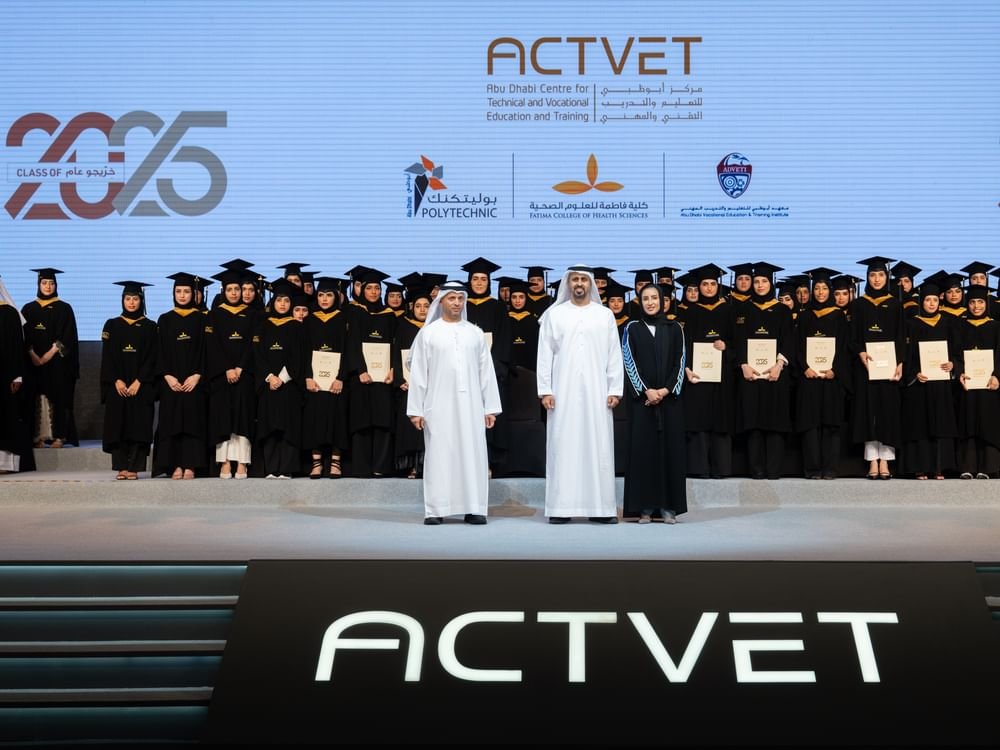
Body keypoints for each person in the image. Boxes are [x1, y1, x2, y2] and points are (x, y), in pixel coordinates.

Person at [407, 281, 501, 524]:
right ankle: (436, 510)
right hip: (437, 405)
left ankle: (474, 508)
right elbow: (419, 373)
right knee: (439, 455)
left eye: (460, 298)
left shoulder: (475, 333)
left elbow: (486, 372)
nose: (457, 303)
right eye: (452, 298)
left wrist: (490, 407)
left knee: (472, 453)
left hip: (471, 405)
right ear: (441, 301)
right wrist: (416, 410)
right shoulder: (428, 333)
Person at [537, 265, 624, 523]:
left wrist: (615, 388)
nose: (579, 284)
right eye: (574, 279)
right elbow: (544, 354)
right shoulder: (554, 315)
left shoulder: (604, 315)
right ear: (568, 283)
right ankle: (560, 509)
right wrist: (545, 390)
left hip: (598, 392)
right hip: (561, 392)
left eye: (583, 280)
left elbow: (613, 354)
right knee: (562, 445)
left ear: (590, 284)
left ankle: (600, 509)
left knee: (598, 446)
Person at [621, 283, 686, 523]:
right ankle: (645, 507)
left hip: (669, 402)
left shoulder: (675, 328)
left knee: (669, 453)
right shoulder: (632, 328)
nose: (650, 302)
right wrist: (646, 391)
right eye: (645, 298)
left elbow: (680, 362)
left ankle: (669, 507)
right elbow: (628, 361)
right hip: (642, 403)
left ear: (662, 301)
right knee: (643, 453)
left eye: (654, 298)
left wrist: (666, 390)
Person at [850, 256, 904, 480]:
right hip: (866, 366)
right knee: (868, 412)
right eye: (872, 275)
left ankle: (886, 461)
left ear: (886, 277)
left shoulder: (895, 305)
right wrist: (860, 352)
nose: (876, 279)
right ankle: (872, 460)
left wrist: (900, 362)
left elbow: (901, 336)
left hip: (889, 367)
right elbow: (853, 336)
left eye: (881, 275)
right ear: (867, 277)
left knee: (887, 413)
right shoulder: (858, 305)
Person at [794, 267, 849, 479]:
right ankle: (812, 469)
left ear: (830, 291)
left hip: (831, 378)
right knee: (810, 424)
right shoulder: (804, 316)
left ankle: (830, 468)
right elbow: (797, 346)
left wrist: (836, 370)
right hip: (809, 378)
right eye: (816, 288)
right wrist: (804, 367)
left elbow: (844, 347)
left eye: (824, 288)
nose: (820, 292)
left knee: (830, 424)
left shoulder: (839, 316)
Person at [899, 283, 958, 480]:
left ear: (939, 302)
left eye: (934, 300)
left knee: (941, 423)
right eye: (927, 300)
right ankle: (920, 467)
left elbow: (957, 351)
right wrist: (914, 373)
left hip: (941, 383)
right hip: (920, 383)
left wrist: (953, 364)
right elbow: (906, 355)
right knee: (920, 425)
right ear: (921, 302)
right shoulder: (911, 324)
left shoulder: (948, 323)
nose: (931, 304)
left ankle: (939, 467)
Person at [152, 273, 207, 480]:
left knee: (192, 423)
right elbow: (159, 351)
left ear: (193, 294)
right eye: (178, 291)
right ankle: (174, 465)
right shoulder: (165, 320)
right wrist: (167, 376)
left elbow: (206, 351)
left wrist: (197, 375)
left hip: (194, 382)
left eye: (186, 291)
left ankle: (191, 465)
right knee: (171, 423)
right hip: (171, 383)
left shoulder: (202, 319)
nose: (182, 295)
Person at [682, 263, 735, 478]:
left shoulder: (728, 310)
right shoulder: (691, 312)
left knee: (720, 419)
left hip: (722, 375)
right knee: (699, 420)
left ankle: (721, 469)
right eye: (705, 284)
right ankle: (700, 469)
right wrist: (687, 368)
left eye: (713, 284)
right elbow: (684, 343)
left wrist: (727, 346)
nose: (709, 288)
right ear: (700, 287)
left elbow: (737, 341)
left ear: (718, 286)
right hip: (698, 375)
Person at [100, 281, 157, 480]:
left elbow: (152, 357)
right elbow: (107, 357)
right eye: (127, 298)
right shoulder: (112, 325)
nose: (131, 302)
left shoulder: (150, 326)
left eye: (135, 299)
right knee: (118, 426)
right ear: (122, 300)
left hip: (141, 386)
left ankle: (134, 467)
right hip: (118, 386)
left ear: (141, 301)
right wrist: (116, 380)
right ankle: (121, 467)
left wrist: (139, 381)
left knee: (139, 426)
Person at [20, 268, 79, 449]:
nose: (48, 286)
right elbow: (22, 336)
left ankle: (59, 437)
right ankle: (38, 436)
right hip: (33, 364)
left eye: (51, 283)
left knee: (58, 397)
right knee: (36, 398)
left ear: (56, 285)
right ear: (38, 285)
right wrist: (32, 354)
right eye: (44, 283)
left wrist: (48, 355)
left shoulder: (64, 308)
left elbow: (68, 336)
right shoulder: (28, 309)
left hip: (57, 364)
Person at [346, 268, 397, 477]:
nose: (374, 292)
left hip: (383, 377)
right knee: (362, 421)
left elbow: (395, 344)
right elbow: (352, 342)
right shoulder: (354, 312)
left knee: (383, 420)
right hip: (362, 377)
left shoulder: (389, 315)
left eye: (377, 288)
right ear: (362, 290)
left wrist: (393, 368)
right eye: (369, 288)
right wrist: (360, 370)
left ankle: (380, 467)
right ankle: (361, 467)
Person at [253, 279, 306, 479]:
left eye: (286, 300)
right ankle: (272, 468)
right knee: (270, 427)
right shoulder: (263, 325)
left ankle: (286, 469)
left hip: (288, 385)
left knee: (288, 426)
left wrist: (282, 378)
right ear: (273, 302)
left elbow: (298, 356)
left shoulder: (297, 327)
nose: (282, 304)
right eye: (279, 300)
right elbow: (257, 354)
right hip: (268, 384)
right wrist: (269, 376)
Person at [206, 268, 256, 479]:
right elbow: (212, 345)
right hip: (222, 375)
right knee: (223, 418)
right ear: (223, 291)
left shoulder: (252, 314)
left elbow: (253, 344)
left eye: (237, 289)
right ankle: (225, 462)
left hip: (245, 374)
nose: (234, 293)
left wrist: (240, 367)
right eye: (230, 289)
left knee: (243, 418)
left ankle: (242, 463)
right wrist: (226, 368)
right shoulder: (215, 314)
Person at [302, 277, 350, 479]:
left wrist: (341, 377)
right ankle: (317, 462)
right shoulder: (310, 320)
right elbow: (304, 351)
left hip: (335, 381)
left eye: (329, 295)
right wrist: (307, 376)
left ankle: (336, 462)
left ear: (336, 297)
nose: (324, 299)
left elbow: (348, 350)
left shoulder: (343, 319)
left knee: (337, 419)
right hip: (315, 381)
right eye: (321, 295)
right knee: (315, 420)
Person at [954, 285, 1000, 479]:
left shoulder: (996, 326)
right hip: (968, 382)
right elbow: (954, 353)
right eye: (972, 302)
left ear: (986, 303)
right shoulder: (960, 326)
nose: (976, 306)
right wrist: (959, 372)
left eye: (980, 302)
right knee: (968, 421)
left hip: (990, 383)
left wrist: (997, 375)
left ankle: (989, 467)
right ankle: (968, 466)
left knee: (988, 422)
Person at [392, 287, 431, 479]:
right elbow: (395, 355)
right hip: (409, 386)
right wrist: (399, 379)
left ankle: (429, 466)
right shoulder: (404, 327)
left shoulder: (436, 329)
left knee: (430, 426)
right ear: (412, 308)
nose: (422, 309)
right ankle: (413, 466)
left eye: (426, 306)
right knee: (411, 428)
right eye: (418, 306)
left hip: (432, 388)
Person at [0, 276, 34, 473]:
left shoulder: (8, 312)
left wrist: (17, 376)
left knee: (6, 418)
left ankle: (5, 464)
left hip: (5, 375)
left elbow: (16, 347)